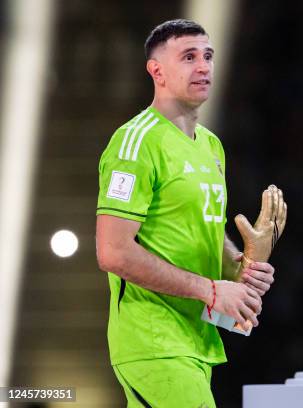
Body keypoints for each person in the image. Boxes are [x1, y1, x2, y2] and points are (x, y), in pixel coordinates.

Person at [95, 19, 284, 407]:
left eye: (208, 56)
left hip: (195, 342)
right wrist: (212, 290)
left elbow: (202, 234)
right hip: (153, 341)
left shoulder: (211, 146)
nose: (203, 66)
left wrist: (241, 265)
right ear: (156, 70)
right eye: (189, 56)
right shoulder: (136, 142)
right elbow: (113, 252)